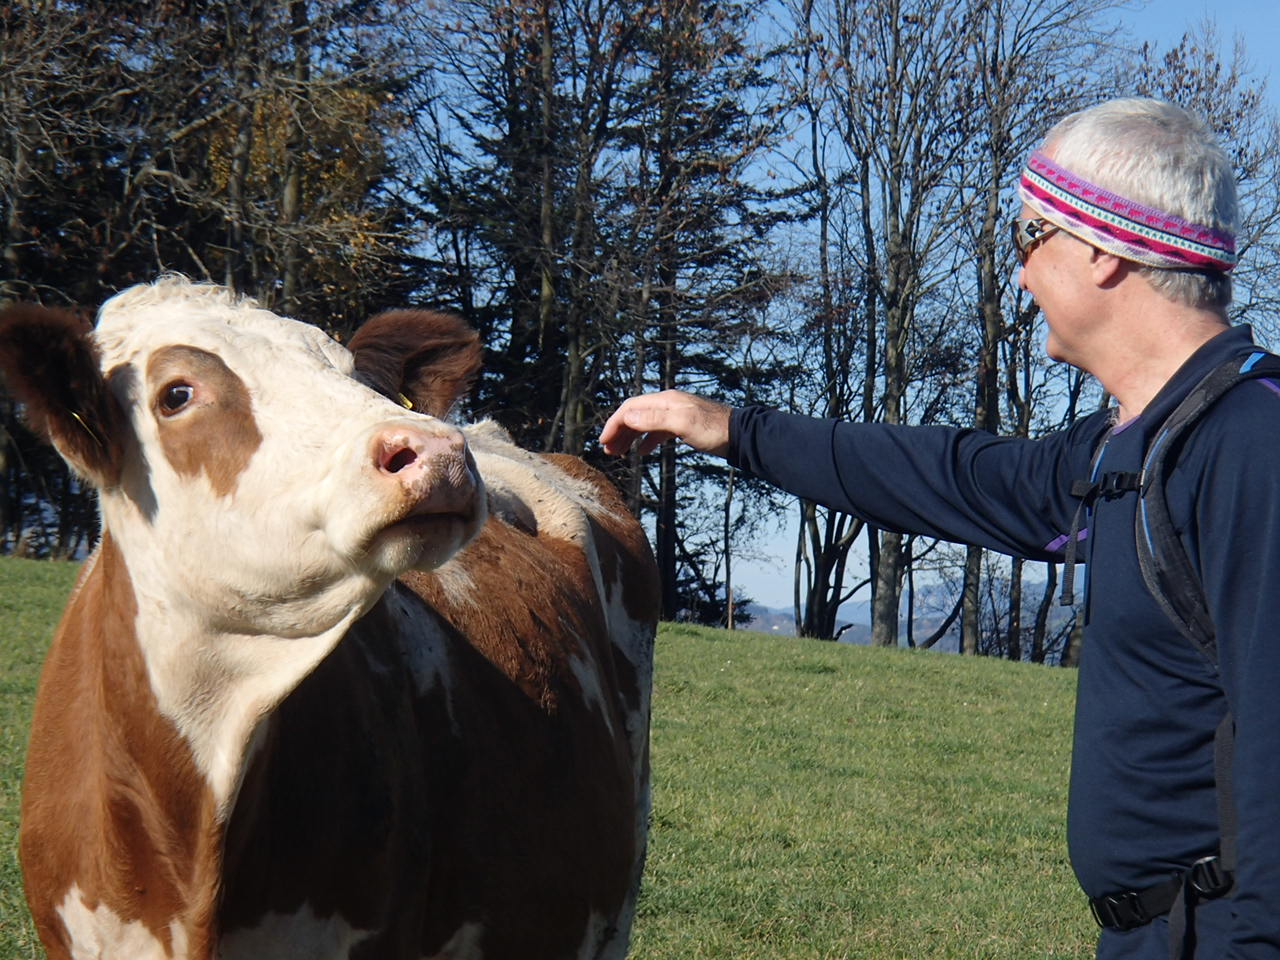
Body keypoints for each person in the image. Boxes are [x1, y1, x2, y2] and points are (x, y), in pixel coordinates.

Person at [600, 98, 1280, 959]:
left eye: (1030, 237)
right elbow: (950, 476)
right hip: (1156, 934)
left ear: (1106, 250)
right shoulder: (1140, 444)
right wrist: (735, 430)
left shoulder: (1252, 446)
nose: (1021, 275)